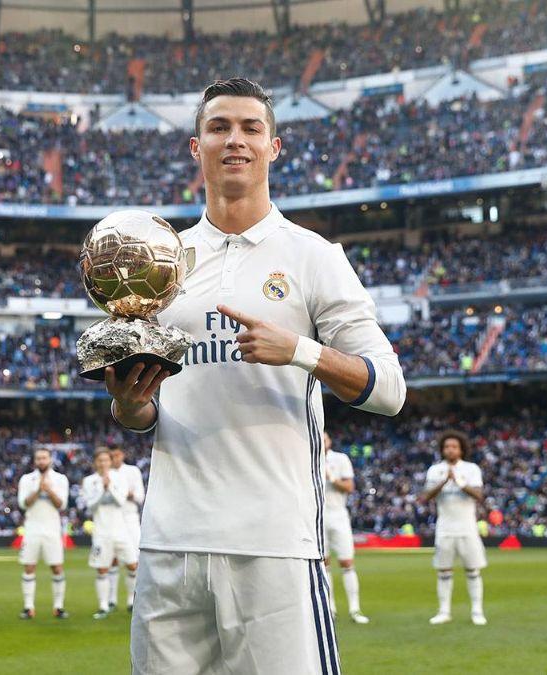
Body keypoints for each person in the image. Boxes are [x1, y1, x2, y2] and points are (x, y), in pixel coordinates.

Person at [107, 78, 406, 674]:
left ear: (274, 147)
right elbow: (145, 415)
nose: (234, 140)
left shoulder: (313, 256)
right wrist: (129, 404)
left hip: (273, 544)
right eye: (219, 127)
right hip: (170, 542)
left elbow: (389, 389)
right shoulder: (161, 263)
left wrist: (298, 349)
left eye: (250, 128)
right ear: (197, 147)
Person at [419, 430, 487, 626]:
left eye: (454, 447)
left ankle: (477, 611)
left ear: (461, 449)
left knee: (473, 570)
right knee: (443, 570)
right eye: (447, 447)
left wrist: (459, 482)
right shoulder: (435, 470)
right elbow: (425, 497)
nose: (450, 450)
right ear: (442, 449)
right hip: (445, 527)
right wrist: (443, 482)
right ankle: (444, 611)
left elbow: (479, 495)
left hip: (467, 527)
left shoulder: (471, 469)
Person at [16, 447, 70, 619]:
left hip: (52, 529)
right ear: (35, 461)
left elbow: (61, 504)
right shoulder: (26, 479)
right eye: (38, 458)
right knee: (29, 566)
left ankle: (58, 607)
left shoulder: (60, 479)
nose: (41, 461)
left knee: (56, 567)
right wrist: (38, 490)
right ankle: (28, 607)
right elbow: (23, 504)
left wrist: (49, 490)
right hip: (32, 528)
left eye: (44, 458)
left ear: (50, 460)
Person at [80, 448, 134, 619]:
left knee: (133, 565)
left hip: (121, 529)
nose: (103, 463)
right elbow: (90, 506)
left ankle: (131, 601)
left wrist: (109, 486)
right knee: (102, 569)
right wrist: (102, 490)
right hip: (101, 531)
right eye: (100, 460)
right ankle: (103, 605)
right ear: (95, 462)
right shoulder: (89, 481)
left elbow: (120, 501)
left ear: (110, 462)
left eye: (106, 460)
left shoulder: (120, 477)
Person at [322, 431, 368, 624]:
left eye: (324, 438)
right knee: (323, 565)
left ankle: (354, 609)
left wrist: (332, 478)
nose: (321, 441)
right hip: (315, 517)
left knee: (347, 562)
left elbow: (349, 487)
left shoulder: (340, 459)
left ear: (330, 441)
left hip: (337, 515)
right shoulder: (306, 457)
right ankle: (329, 609)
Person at [108, 445, 145, 612]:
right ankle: (111, 600)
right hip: (112, 518)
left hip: (130, 518)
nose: (114, 459)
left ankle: (132, 599)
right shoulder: (105, 473)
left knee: (134, 559)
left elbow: (140, 496)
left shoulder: (133, 471)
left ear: (122, 454)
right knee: (112, 559)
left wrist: (126, 494)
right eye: (111, 456)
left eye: (117, 455)